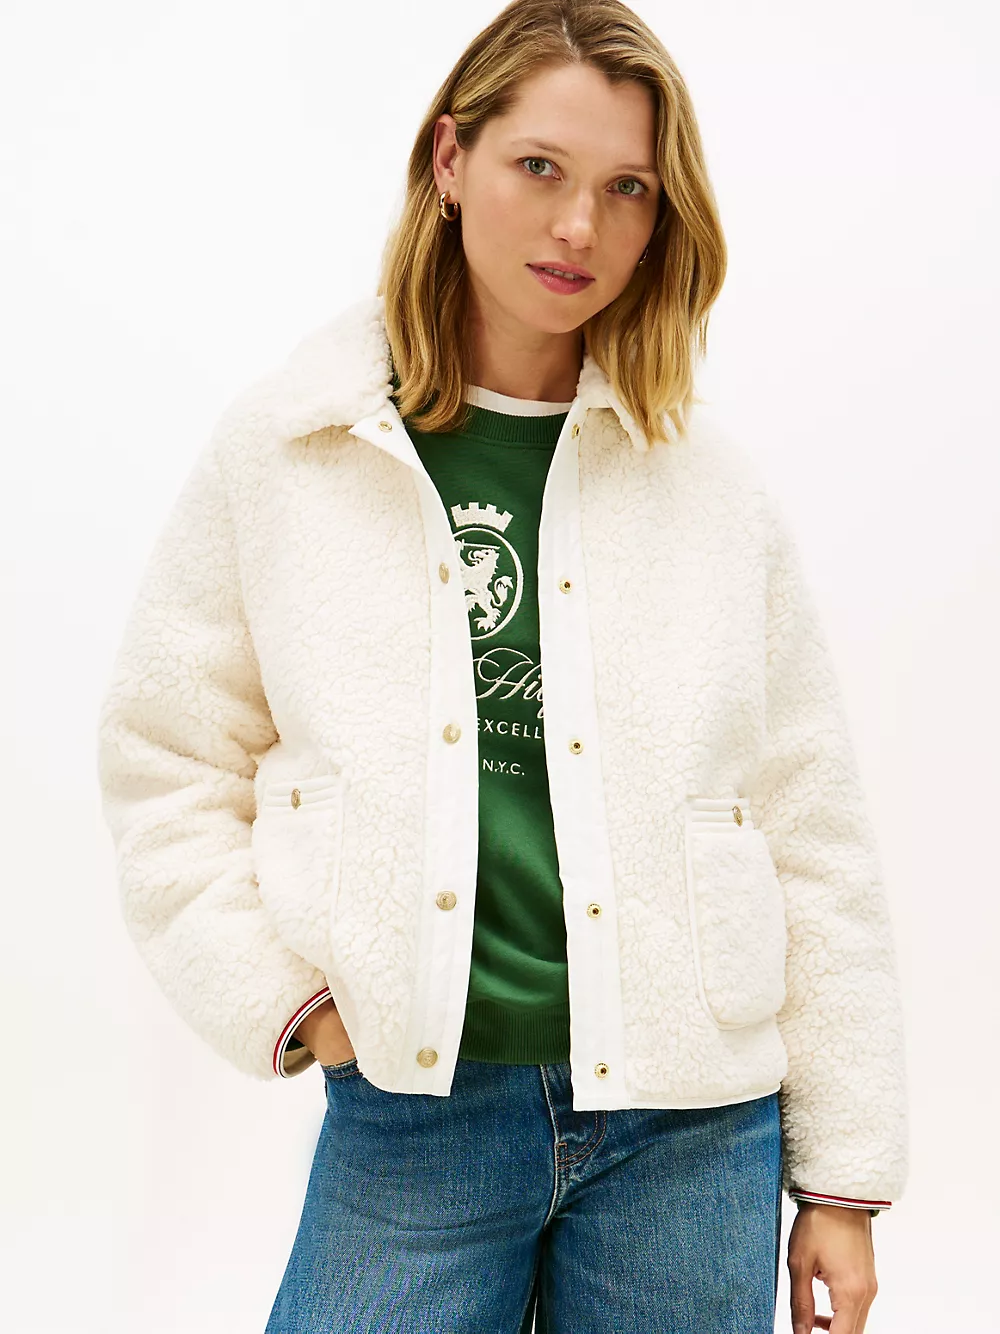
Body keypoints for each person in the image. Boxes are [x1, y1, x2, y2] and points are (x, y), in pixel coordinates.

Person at [95, 2, 909, 1330]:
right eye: (540, 167)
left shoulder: (708, 486)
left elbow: (811, 833)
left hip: (693, 1131)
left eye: (627, 189)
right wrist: (296, 1006)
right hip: (415, 1109)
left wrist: (844, 1180)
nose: (579, 226)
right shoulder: (292, 450)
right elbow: (166, 757)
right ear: (449, 160)